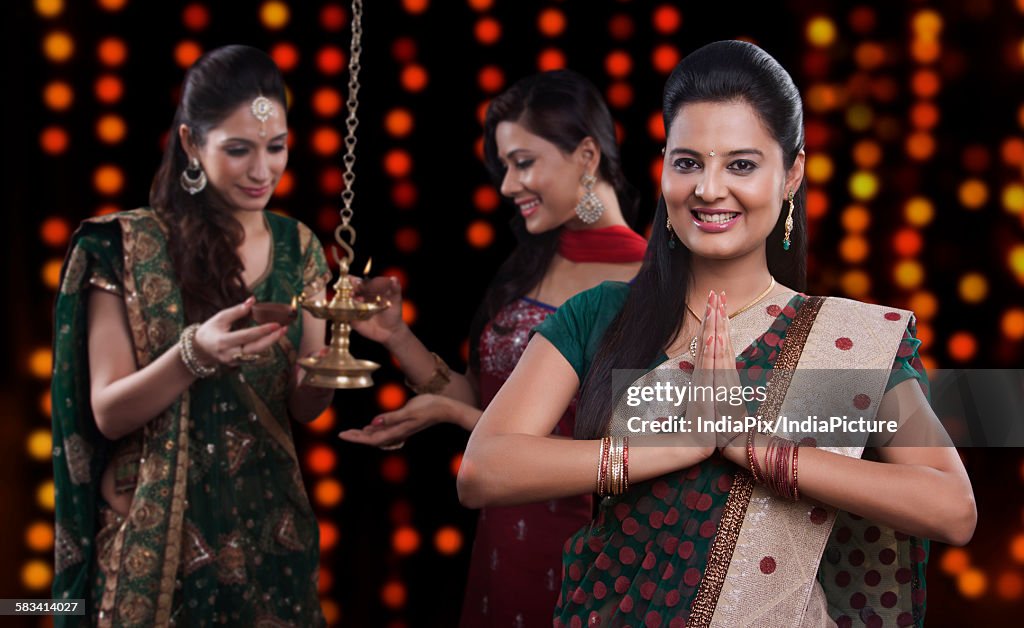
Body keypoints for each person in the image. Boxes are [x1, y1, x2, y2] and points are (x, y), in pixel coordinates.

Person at [458, 41, 976, 627]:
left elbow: (951, 507)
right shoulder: (601, 315)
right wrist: (671, 447)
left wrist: (754, 450)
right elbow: (485, 469)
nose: (707, 189)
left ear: (792, 174)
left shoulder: (842, 340)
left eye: (741, 164)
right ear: (663, 169)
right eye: (687, 163)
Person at [338, 70, 649, 627]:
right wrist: (396, 336)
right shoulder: (533, 263)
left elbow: (640, 446)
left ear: (585, 155)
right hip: (503, 543)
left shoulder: (646, 283)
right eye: (504, 166)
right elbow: (493, 402)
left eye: (523, 162)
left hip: (584, 548)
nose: (507, 185)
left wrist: (454, 415)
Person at [50, 45, 334, 626]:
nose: (263, 171)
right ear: (190, 145)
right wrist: (193, 355)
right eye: (239, 150)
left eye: (276, 148)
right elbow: (108, 412)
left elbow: (306, 408)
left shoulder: (300, 246)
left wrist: (329, 368)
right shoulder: (127, 247)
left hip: (270, 544)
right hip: (154, 551)